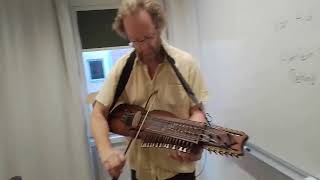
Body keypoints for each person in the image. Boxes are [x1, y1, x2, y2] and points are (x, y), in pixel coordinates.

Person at [91, 0, 208, 179]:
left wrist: (190, 140)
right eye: (135, 40)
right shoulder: (122, 68)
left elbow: (197, 111)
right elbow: (98, 113)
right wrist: (106, 152)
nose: (143, 46)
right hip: (141, 173)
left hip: (179, 171)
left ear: (159, 27)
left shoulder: (186, 63)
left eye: (147, 37)